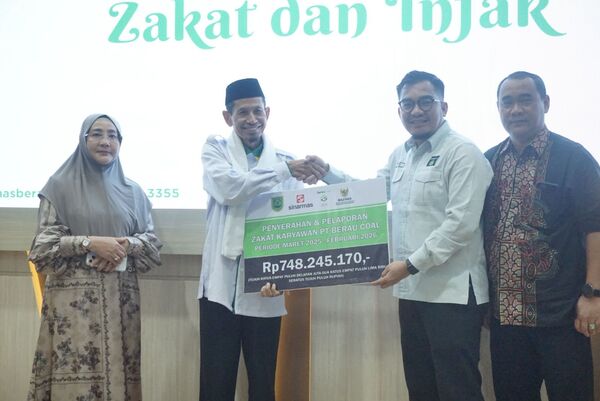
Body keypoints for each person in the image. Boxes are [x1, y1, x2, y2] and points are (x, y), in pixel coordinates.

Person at [314, 70, 493, 401]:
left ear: (444, 107)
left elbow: (460, 225)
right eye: (407, 104)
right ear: (399, 110)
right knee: (420, 386)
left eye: (426, 102)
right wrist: (326, 173)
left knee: (458, 389)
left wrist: (409, 265)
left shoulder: (463, 152)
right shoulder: (401, 155)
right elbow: (369, 193)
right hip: (413, 291)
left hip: (452, 294)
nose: (416, 110)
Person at [198, 78, 322, 401]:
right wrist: (283, 171)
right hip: (219, 289)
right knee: (215, 383)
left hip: (266, 288)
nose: (251, 119)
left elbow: (293, 226)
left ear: (268, 112)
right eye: (242, 112)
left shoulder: (285, 158)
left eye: (257, 111)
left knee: (264, 384)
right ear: (228, 117)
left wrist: (283, 277)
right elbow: (231, 189)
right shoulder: (215, 150)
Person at [27, 114, 162, 401]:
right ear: (83, 139)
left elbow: (151, 249)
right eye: (97, 134)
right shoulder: (59, 187)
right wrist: (90, 243)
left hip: (121, 308)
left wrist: (125, 245)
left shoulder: (134, 192)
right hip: (73, 311)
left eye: (113, 135)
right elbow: (43, 250)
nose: (105, 141)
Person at [483, 71, 600, 401]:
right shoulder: (488, 161)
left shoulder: (573, 157)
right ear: (498, 108)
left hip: (562, 314)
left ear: (545, 103)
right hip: (505, 317)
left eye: (525, 100)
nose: (516, 110)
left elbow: (595, 227)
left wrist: (593, 294)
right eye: (507, 102)